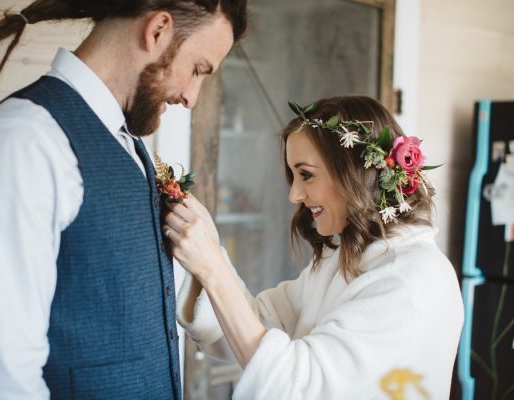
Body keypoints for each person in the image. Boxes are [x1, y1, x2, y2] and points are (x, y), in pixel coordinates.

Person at [0, 0, 247, 398]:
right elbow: (4, 379)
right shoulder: (24, 140)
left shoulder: (132, 150)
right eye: (197, 69)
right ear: (158, 31)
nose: (192, 97)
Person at [163, 95, 464, 399]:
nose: (294, 194)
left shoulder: (410, 281)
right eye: (294, 176)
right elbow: (256, 325)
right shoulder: (342, 261)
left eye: (306, 174)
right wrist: (207, 247)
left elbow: (294, 387)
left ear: (355, 171)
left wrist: (213, 268)